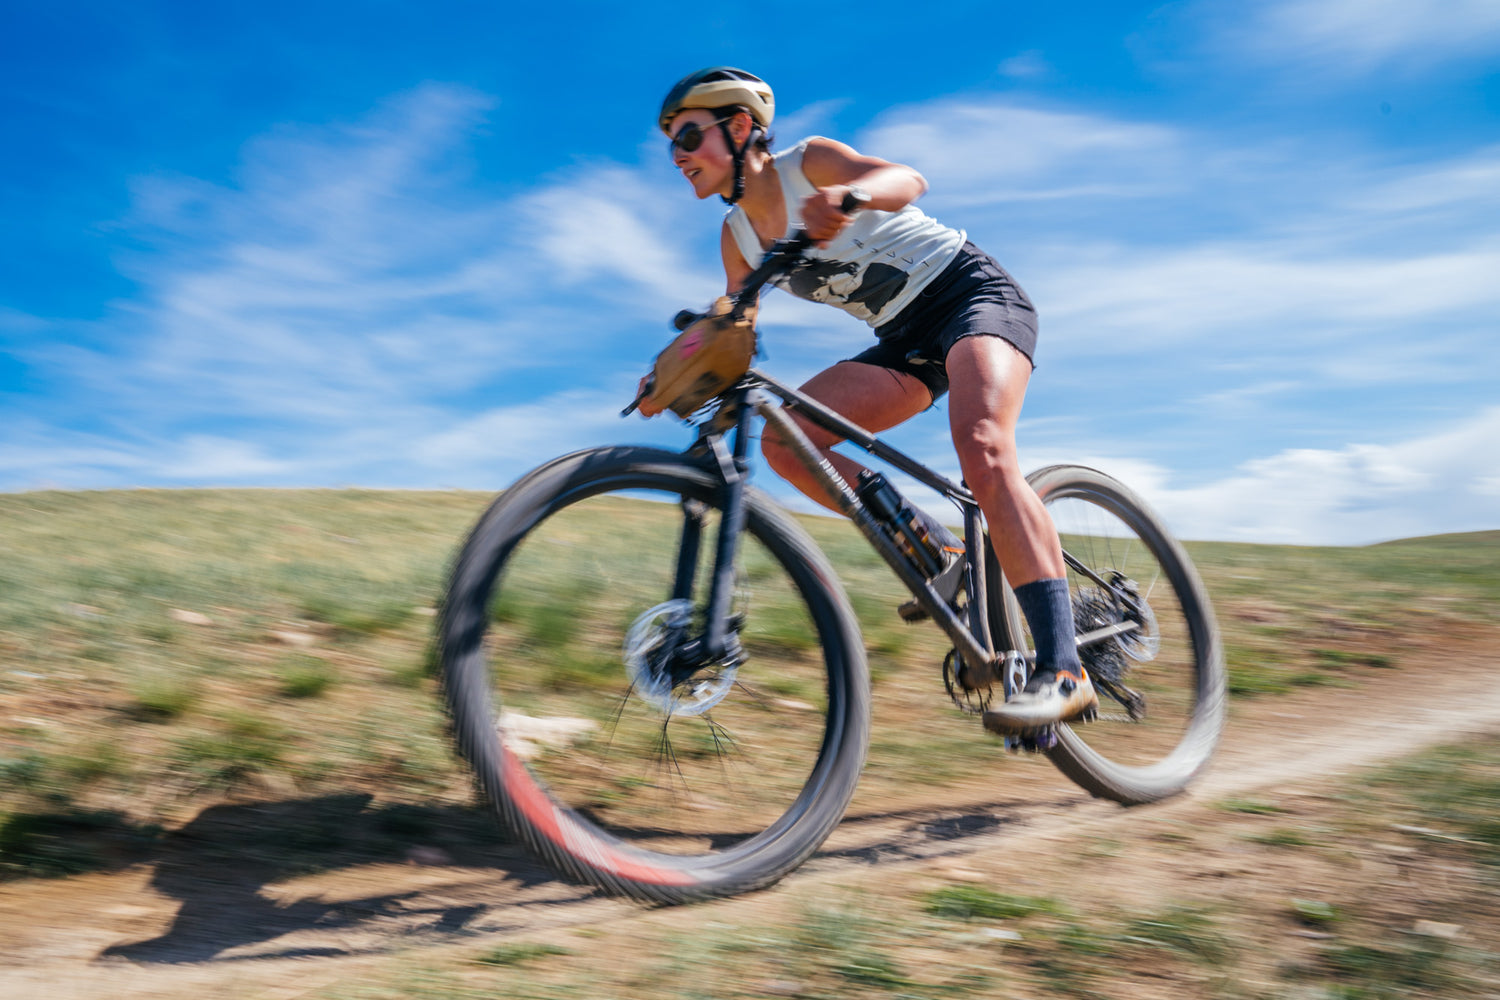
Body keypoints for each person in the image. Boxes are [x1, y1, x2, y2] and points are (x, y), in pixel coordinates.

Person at [646, 67, 1095, 735]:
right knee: (788, 440)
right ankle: (944, 555)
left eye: (687, 135)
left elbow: (908, 180)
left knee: (981, 444)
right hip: (904, 342)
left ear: (740, 128)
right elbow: (733, 320)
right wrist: (677, 369)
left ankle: (1065, 671)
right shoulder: (736, 239)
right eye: (670, 144)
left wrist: (849, 198)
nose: (677, 156)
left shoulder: (810, 162)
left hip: (972, 299)